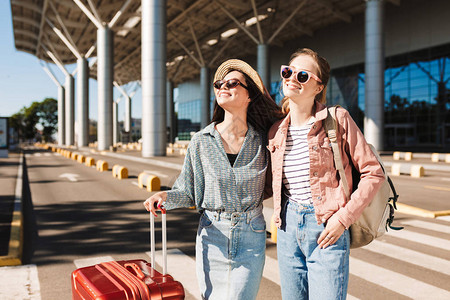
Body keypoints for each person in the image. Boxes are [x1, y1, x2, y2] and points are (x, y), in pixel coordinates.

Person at [144, 59, 283, 300]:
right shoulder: (201, 141)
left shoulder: (263, 141)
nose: (222, 87)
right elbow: (189, 191)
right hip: (212, 234)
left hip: (252, 234)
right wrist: (165, 196)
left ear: (249, 95)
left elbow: (278, 182)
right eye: (219, 83)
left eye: (232, 83)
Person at [268, 48, 385, 300]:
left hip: (326, 226)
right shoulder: (276, 131)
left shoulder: (336, 118)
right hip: (288, 230)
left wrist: (343, 219)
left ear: (318, 87)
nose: (291, 78)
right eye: (287, 72)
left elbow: (373, 172)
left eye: (302, 76)